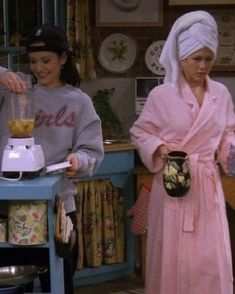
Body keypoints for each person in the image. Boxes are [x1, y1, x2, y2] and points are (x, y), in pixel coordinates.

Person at [130, 10, 235, 294]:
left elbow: (228, 133)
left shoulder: (221, 94)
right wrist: (160, 147)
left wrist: (230, 151)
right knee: (173, 253)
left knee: (209, 256)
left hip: (206, 186)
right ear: (181, 58)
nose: (203, 66)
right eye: (196, 59)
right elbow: (141, 131)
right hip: (175, 183)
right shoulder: (161, 95)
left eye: (208, 59)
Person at [0, 24, 104, 294]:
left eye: (46, 60)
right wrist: (4, 74)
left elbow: (91, 151)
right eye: (33, 61)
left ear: (63, 58)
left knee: (58, 280)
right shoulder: (16, 91)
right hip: (10, 206)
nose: (39, 68)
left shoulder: (78, 102)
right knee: (12, 281)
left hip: (59, 207)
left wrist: (79, 161)